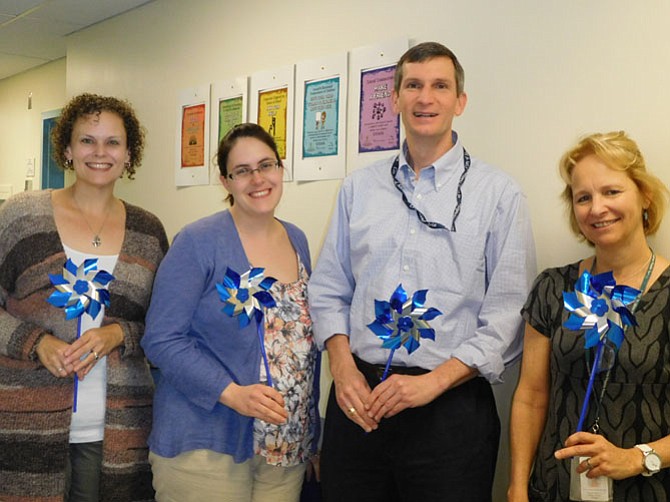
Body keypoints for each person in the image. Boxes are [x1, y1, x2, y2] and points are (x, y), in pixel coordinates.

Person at [308, 41, 536, 502]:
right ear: (394, 99)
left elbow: (508, 315)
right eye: (412, 85)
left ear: (460, 101)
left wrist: (432, 383)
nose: (425, 98)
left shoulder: (499, 194)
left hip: (450, 412)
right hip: (360, 403)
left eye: (439, 86)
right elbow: (329, 288)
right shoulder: (358, 189)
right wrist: (342, 366)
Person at [0, 93, 168, 501]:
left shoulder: (148, 232)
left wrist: (117, 335)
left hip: (116, 430)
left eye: (113, 142)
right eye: (87, 140)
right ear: (68, 149)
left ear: (129, 154)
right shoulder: (20, 216)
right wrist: (36, 342)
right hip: (24, 422)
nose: (100, 152)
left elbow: (164, 326)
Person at [142, 123, 320, 502]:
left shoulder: (297, 239)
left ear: (281, 169)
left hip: (284, 448)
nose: (257, 178)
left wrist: (311, 436)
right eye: (242, 171)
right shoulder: (198, 241)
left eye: (266, 165)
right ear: (225, 181)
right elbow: (161, 339)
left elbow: (305, 345)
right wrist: (231, 393)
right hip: (208, 445)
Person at [508, 131, 670, 502]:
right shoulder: (552, 288)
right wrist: (517, 486)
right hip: (556, 487)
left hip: (648, 488)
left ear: (644, 195)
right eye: (584, 198)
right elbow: (531, 396)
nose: (597, 208)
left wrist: (637, 458)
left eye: (611, 192)